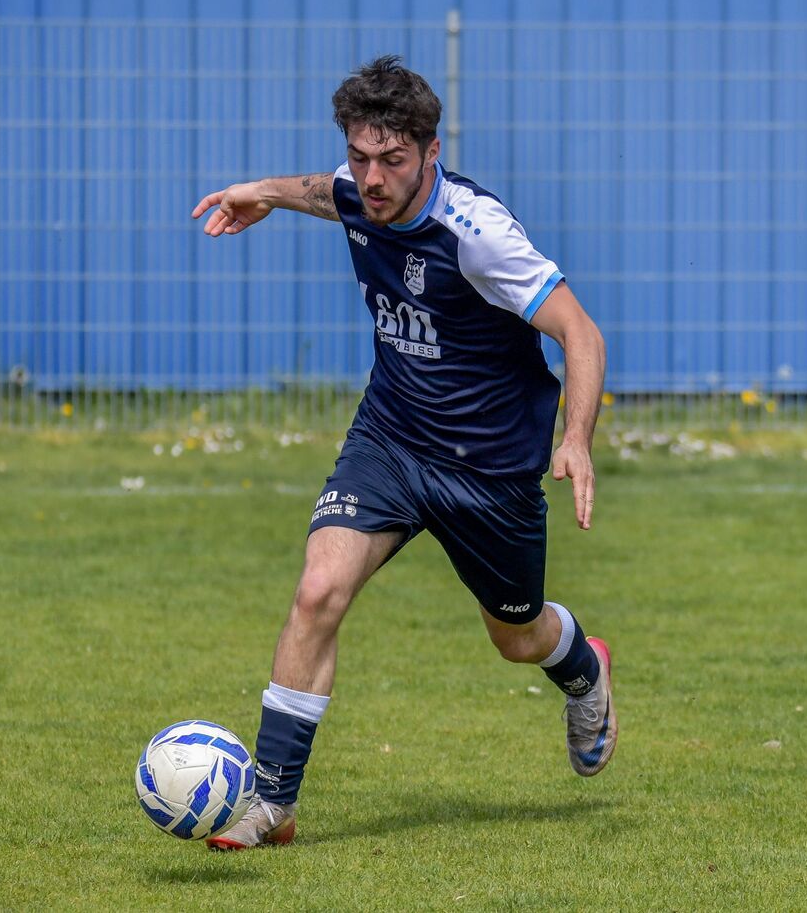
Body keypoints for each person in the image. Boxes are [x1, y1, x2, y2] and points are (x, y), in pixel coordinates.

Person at [189, 55, 616, 848]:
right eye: (360, 157)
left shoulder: (479, 235)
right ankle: (272, 803)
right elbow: (326, 192)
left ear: (431, 150)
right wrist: (264, 193)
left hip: (489, 470)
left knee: (516, 635)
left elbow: (580, 332)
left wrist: (577, 439)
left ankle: (583, 666)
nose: (373, 178)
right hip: (391, 437)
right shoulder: (358, 190)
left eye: (391, 159)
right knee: (318, 589)